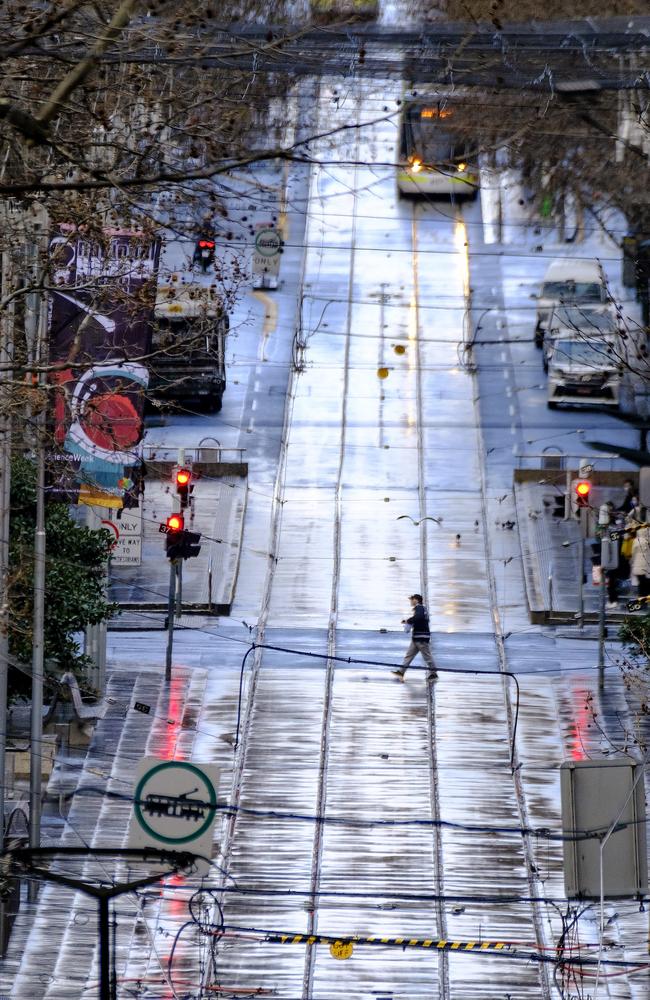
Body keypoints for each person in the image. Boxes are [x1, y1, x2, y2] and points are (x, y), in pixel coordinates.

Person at [392, 594, 437, 682]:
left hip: (421, 637)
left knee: (427, 656)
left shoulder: (419, 608)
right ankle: (401, 672)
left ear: (416, 600)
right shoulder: (420, 609)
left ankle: (434, 673)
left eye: (411, 600)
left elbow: (418, 618)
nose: (411, 602)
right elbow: (418, 619)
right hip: (416, 637)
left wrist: (408, 621)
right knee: (409, 655)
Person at [631, 524, 650, 599]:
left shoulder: (636, 541)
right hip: (647, 566)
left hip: (638, 566)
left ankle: (641, 597)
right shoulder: (647, 541)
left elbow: (633, 553)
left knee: (641, 583)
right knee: (647, 582)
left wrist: (632, 562)